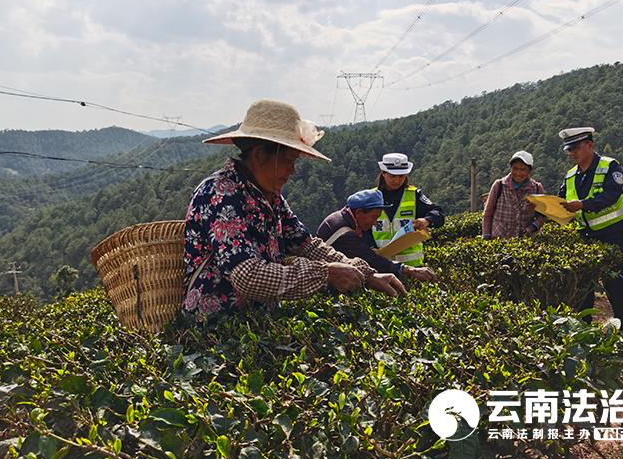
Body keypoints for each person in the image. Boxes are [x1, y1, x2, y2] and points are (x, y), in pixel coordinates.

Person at [181, 99, 406, 327]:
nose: (292, 170)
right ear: (259, 154)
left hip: (259, 324)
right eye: (288, 160)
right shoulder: (220, 193)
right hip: (216, 330)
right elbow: (247, 276)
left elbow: (307, 245)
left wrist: (366, 274)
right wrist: (325, 274)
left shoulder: (271, 197)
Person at [558, 126, 623, 333]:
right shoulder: (571, 175)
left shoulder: (610, 166)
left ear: (589, 145)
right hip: (585, 235)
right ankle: (584, 330)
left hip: (611, 232)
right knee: (585, 283)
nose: (571, 154)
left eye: (575, 148)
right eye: (568, 150)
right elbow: (562, 200)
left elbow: (611, 196)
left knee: (614, 282)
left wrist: (581, 204)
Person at [317, 189, 438, 282]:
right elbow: (369, 259)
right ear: (359, 212)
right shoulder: (344, 231)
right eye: (374, 217)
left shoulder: (348, 218)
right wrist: (408, 270)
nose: (375, 222)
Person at [371, 153, 444, 266]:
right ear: (383, 174)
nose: (397, 180)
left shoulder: (414, 194)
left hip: (412, 267)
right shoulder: (371, 196)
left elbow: (438, 213)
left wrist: (426, 221)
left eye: (401, 176)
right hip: (381, 265)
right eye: (392, 176)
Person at [482, 150, 546, 239]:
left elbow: (542, 215)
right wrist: (486, 236)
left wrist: (533, 227)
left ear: (529, 170)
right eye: (515, 169)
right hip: (498, 241)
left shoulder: (537, 188)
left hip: (524, 242)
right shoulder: (499, 185)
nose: (518, 173)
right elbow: (488, 213)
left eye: (523, 169)